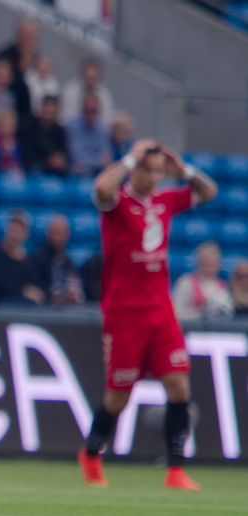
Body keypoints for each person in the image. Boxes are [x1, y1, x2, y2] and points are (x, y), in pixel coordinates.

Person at [80, 140, 218, 491]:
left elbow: (209, 192)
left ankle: (175, 470)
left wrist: (182, 168)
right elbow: (101, 186)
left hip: (161, 310)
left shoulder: (164, 201)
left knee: (178, 384)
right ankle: (92, 452)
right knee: (118, 396)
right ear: (135, 169)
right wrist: (129, 157)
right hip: (124, 313)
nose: (154, 177)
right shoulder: (117, 203)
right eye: (148, 169)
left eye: (159, 170)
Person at [0, 209, 42, 305]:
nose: (14, 235)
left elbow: (33, 283)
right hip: (3, 302)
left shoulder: (28, 261)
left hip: (24, 303)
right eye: (13, 230)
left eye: (18, 231)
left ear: (25, 234)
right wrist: (22, 291)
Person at [27, 214, 84, 305]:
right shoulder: (36, 258)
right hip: (41, 310)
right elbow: (33, 287)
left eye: (62, 233)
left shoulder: (67, 261)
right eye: (56, 232)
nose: (58, 237)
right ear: (48, 233)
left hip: (63, 310)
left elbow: (73, 284)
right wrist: (50, 296)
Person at [172, 241, 234, 320]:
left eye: (213, 262)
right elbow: (176, 312)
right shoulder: (186, 282)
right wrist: (199, 312)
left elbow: (229, 312)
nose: (210, 267)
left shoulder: (223, 285)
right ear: (199, 262)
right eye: (207, 262)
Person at [21, 95, 69, 176]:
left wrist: (60, 160)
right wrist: (47, 160)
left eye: (52, 113)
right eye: (47, 111)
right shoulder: (29, 127)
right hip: (33, 168)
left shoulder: (59, 131)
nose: (49, 116)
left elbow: (63, 152)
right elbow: (26, 153)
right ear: (41, 109)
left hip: (54, 170)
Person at [66, 94, 112, 176]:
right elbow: (77, 157)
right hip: (75, 175)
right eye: (89, 110)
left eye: (94, 111)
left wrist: (92, 163)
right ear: (83, 109)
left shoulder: (102, 129)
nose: (92, 114)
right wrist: (98, 162)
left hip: (97, 174)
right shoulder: (72, 126)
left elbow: (106, 157)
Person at [60, 57, 114, 126]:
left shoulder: (106, 97)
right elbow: (64, 116)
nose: (90, 74)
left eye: (94, 72)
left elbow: (106, 123)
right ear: (82, 73)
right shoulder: (69, 90)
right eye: (88, 71)